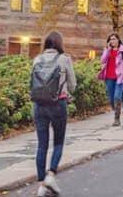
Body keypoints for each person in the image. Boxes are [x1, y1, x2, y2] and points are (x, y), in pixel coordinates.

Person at [31, 31, 76, 197]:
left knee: (41, 145)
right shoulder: (64, 59)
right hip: (58, 104)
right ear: (59, 43)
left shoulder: (37, 59)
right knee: (58, 142)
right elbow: (72, 86)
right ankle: (51, 175)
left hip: (39, 105)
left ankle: (41, 185)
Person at [97, 33, 123, 126]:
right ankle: (116, 109)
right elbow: (102, 60)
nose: (112, 41)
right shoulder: (107, 50)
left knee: (117, 97)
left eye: (114, 39)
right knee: (111, 99)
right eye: (110, 39)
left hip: (120, 78)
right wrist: (108, 50)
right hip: (109, 77)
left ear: (118, 40)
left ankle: (117, 119)